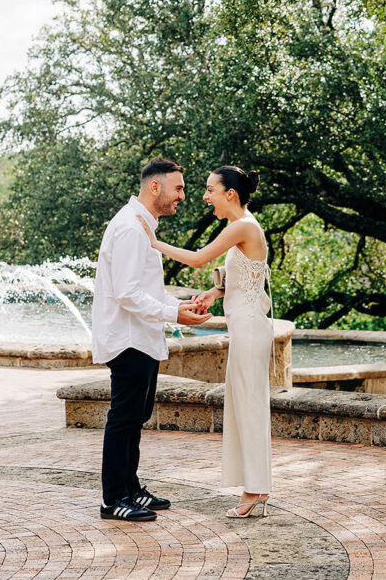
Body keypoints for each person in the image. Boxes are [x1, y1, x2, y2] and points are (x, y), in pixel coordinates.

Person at [137, 165, 274, 518]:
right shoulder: (241, 226)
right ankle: (254, 488)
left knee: (249, 407)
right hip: (246, 327)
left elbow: (199, 259)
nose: (204, 195)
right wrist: (215, 293)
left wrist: (153, 242)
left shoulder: (243, 225)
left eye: (210, 189)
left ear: (230, 194)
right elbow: (251, 275)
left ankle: (255, 490)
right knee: (244, 404)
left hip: (249, 329)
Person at [93, 157, 213, 522]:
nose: (183, 195)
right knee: (124, 416)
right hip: (129, 338)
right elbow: (126, 292)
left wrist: (180, 306)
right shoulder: (130, 228)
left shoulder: (142, 227)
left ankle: (130, 489)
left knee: (136, 415)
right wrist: (174, 314)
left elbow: (148, 290)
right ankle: (113, 498)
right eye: (178, 188)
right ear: (155, 186)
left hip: (141, 336)